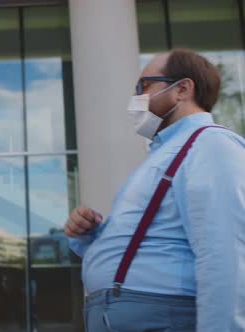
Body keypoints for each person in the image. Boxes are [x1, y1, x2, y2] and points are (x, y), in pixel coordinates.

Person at [65, 49, 245, 331]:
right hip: (125, 314)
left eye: (144, 86)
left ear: (182, 89)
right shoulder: (164, 153)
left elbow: (225, 253)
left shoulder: (210, 145)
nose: (137, 97)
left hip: (162, 315)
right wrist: (90, 236)